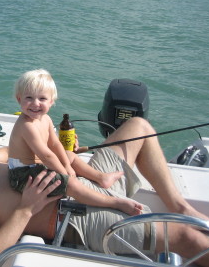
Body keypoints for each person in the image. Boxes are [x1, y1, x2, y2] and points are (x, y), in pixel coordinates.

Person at [0, 117, 209, 267]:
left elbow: (24, 154)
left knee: (137, 127)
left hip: (84, 182)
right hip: (74, 216)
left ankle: (179, 204)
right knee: (188, 238)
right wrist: (25, 210)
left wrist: (64, 154)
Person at [9, 69, 142, 216]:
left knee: (69, 155)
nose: (35, 103)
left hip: (37, 165)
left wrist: (66, 163)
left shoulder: (45, 119)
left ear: (51, 102)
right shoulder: (26, 125)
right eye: (29, 98)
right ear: (19, 99)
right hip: (22, 176)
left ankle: (101, 177)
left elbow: (55, 144)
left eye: (42, 99)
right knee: (69, 183)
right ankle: (115, 202)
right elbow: (47, 155)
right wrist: (65, 173)